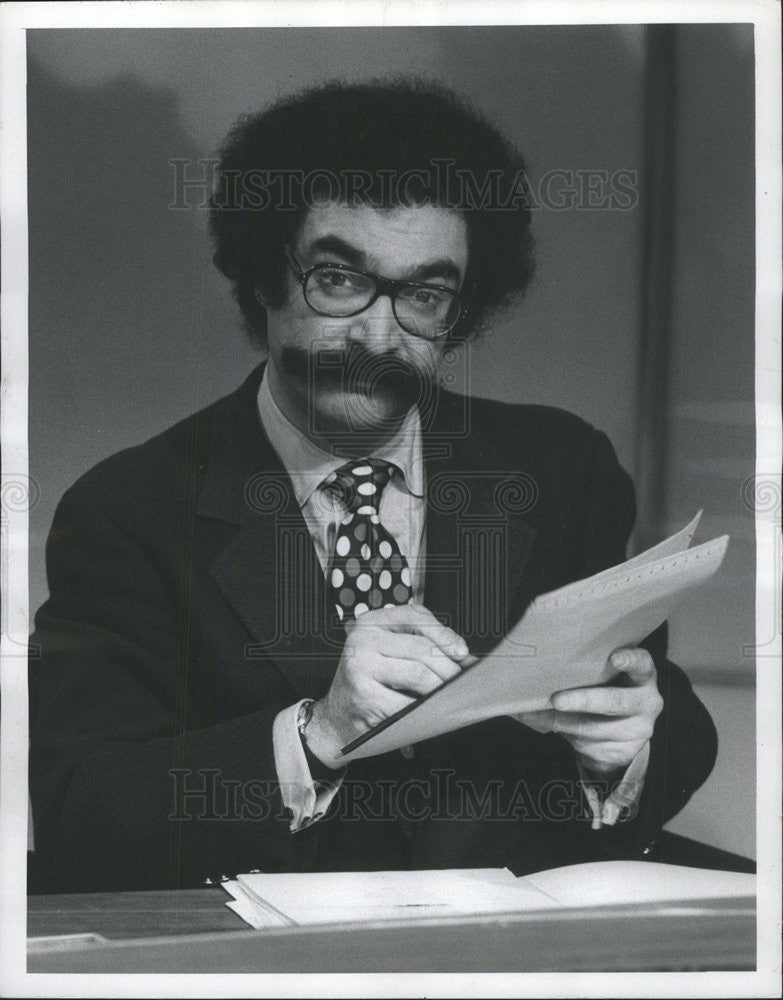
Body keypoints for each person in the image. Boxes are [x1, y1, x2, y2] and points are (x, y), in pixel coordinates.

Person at [28, 79, 717, 892]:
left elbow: (661, 709)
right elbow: (84, 817)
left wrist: (623, 750)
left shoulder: (562, 469)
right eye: (338, 278)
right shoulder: (130, 509)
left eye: (423, 294)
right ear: (262, 276)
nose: (377, 335)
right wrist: (318, 734)